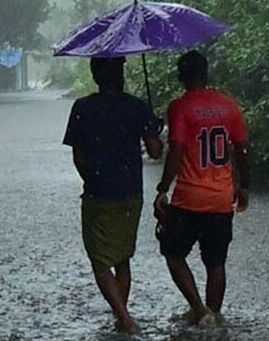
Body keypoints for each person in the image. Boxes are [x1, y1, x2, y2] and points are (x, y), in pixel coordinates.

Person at [63, 57, 163, 334]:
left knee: (99, 261)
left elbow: (78, 156)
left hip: (99, 193)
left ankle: (125, 318)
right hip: (131, 192)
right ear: (121, 74)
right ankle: (122, 317)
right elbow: (156, 152)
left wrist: (91, 179)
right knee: (122, 259)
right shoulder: (137, 107)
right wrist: (155, 128)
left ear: (95, 76)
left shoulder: (82, 108)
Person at [153, 50, 250, 326]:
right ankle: (214, 315)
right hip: (221, 198)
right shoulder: (229, 105)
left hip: (188, 199)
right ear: (206, 74)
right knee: (216, 262)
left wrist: (162, 187)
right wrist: (244, 186)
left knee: (172, 253)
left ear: (181, 77)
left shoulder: (180, 107)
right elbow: (242, 148)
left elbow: (177, 150)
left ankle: (199, 310)